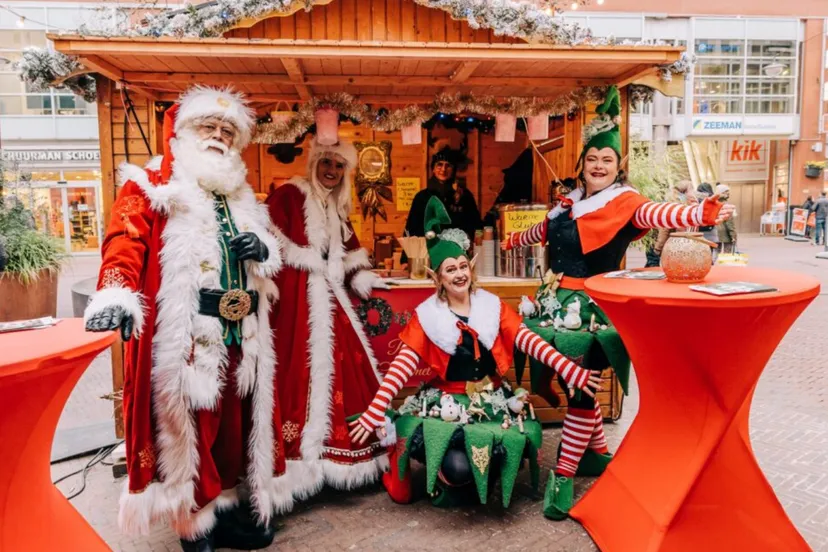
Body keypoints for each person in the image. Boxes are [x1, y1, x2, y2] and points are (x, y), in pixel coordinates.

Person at [502, 85, 733, 519]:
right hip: (556, 303)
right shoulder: (569, 202)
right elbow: (543, 231)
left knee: (582, 390)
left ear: (618, 166)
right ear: (583, 163)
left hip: (593, 309)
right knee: (578, 386)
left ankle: (565, 474)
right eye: (592, 159)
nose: (599, 166)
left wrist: (698, 214)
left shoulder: (625, 203)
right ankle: (595, 452)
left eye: (607, 160)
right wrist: (514, 237)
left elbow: (660, 213)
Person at [83, 87, 288, 551]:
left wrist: (263, 251)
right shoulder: (153, 182)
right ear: (185, 132)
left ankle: (229, 511)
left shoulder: (240, 193)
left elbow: (267, 247)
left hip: (244, 331)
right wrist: (115, 291)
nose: (218, 135)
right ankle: (194, 521)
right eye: (209, 128)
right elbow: (124, 238)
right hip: (192, 334)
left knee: (235, 428)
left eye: (227, 131)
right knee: (195, 428)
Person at [349, 196, 601, 509]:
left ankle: (461, 482)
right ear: (437, 277)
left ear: (470, 267)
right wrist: (375, 409)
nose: (458, 274)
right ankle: (444, 476)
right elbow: (401, 367)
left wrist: (570, 370)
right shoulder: (429, 314)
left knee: (500, 454)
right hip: (447, 403)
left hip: (493, 402)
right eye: (449, 269)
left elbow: (530, 342)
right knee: (459, 470)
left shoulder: (490, 306)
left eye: (462, 266)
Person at [265, 137, 392, 503]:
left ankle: (343, 462)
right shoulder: (290, 194)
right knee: (296, 374)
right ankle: (298, 467)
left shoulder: (337, 207)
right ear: (314, 164)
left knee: (342, 370)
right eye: (326, 164)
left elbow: (350, 253)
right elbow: (266, 241)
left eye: (338, 166)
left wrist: (360, 276)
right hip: (294, 301)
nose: (332, 172)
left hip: (329, 298)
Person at [404, 145, 482, 243]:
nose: (443, 169)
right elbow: (411, 229)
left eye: (448, 165)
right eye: (439, 165)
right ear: (433, 169)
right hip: (429, 250)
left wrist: (478, 244)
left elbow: (477, 226)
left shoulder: (465, 195)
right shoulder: (422, 197)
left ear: (453, 170)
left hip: (457, 251)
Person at [645, 180, 698, 267]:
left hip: (682, 245)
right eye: (691, 189)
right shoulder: (675, 208)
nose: (693, 192)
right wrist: (658, 248)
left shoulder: (689, 205)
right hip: (675, 245)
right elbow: (664, 229)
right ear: (684, 193)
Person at [716, 184, 738, 254]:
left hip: (714, 233)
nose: (728, 193)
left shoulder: (712, 203)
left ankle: (713, 264)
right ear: (722, 193)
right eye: (726, 191)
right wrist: (733, 236)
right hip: (725, 234)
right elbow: (729, 223)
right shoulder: (726, 205)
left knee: (716, 253)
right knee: (727, 254)